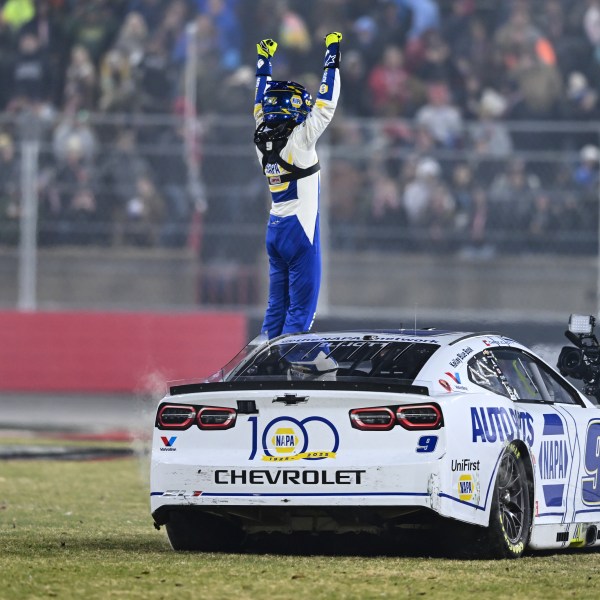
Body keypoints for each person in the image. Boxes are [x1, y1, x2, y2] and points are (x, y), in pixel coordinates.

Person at [253, 32, 341, 339]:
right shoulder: (301, 140)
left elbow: (258, 105)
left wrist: (264, 61)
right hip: (299, 233)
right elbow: (326, 105)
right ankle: (289, 367)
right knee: (301, 314)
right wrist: (333, 53)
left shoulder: (261, 143)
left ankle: (259, 362)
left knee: (275, 308)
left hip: (274, 229)